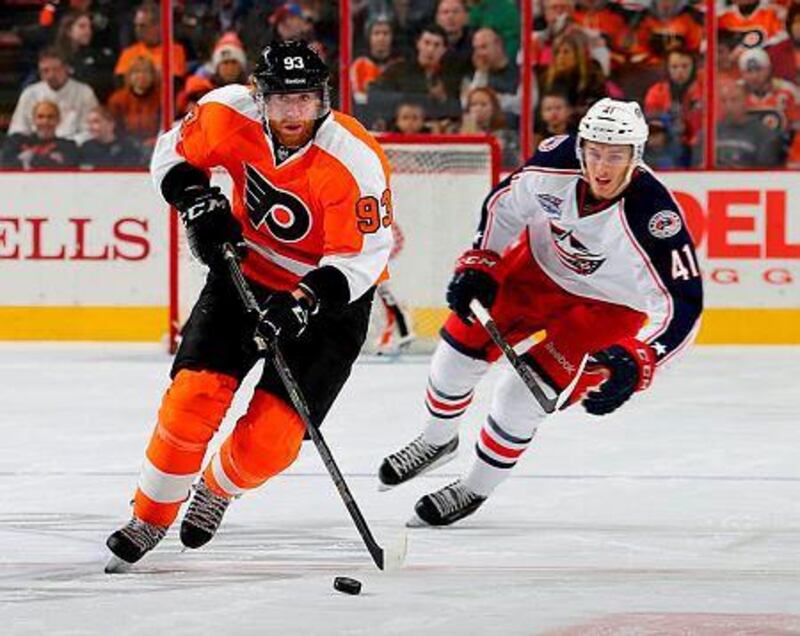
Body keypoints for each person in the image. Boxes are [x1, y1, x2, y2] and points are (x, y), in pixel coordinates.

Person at [105, 41, 393, 570]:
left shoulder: (354, 160)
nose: (293, 113)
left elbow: (363, 259)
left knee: (272, 442)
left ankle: (216, 488)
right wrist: (195, 198)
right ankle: (149, 515)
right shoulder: (225, 111)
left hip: (330, 303)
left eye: (304, 100)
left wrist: (303, 301)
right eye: (281, 100)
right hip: (245, 275)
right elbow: (171, 153)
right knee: (192, 399)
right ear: (260, 98)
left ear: (323, 99)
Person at [378, 98, 703, 527]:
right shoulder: (554, 162)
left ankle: (474, 486)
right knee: (456, 350)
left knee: (520, 395)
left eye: (616, 155)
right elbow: (504, 205)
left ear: (636, 156)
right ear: (581, 146)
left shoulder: (655, 215)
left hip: (609, 310)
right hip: (536, 270)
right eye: (595, 152)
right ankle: (436, 440)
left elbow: (684, 306)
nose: (602, 167)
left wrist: (641, 356)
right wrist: (483, 260)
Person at [8, 47, 98, 142]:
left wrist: (66, 145)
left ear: (67, 69)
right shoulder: (30, 93)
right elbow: (18, 129)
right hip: (37, 146)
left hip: (73, 147)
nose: (51, 75)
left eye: (56, 69)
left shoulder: (84, 92)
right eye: (45, 70)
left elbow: (90, 130)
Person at [2, 100, 79, 169]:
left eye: (50, 117)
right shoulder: (15, 141)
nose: (45, 121)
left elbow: (68, 169)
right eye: (40, 117)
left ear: (58, 120)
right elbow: (5, 165)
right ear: (33, 119)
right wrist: (50, 160)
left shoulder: (69, 146)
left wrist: (27, 158)